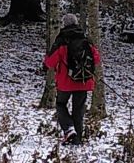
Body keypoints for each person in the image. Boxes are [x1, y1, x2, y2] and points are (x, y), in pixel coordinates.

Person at [42, 14, 99, 145]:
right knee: (78, 109)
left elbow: (51, 62)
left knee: (60, 105)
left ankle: (69, 129)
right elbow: (96, 58)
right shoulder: (85, 39)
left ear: (64, 24)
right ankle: (77, 139)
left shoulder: (61, 40)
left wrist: (45, 63)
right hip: (83, 80)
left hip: (65, 81)